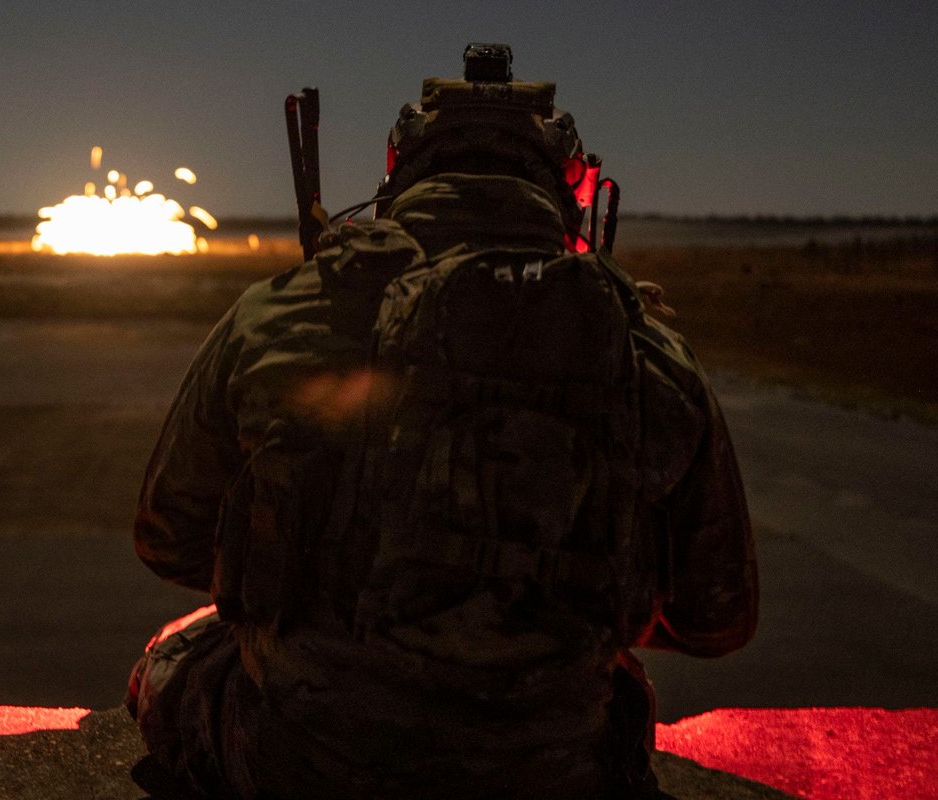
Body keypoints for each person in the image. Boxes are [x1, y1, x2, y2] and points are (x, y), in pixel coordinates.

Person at [127, 44, 757, 800]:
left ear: (400, 170)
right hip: (559, 776)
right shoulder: (647, 352)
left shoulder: (281, 311)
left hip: (298, 768)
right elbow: (718, 618)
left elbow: (168, 537)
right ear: (570, 186)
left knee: (177, 650)